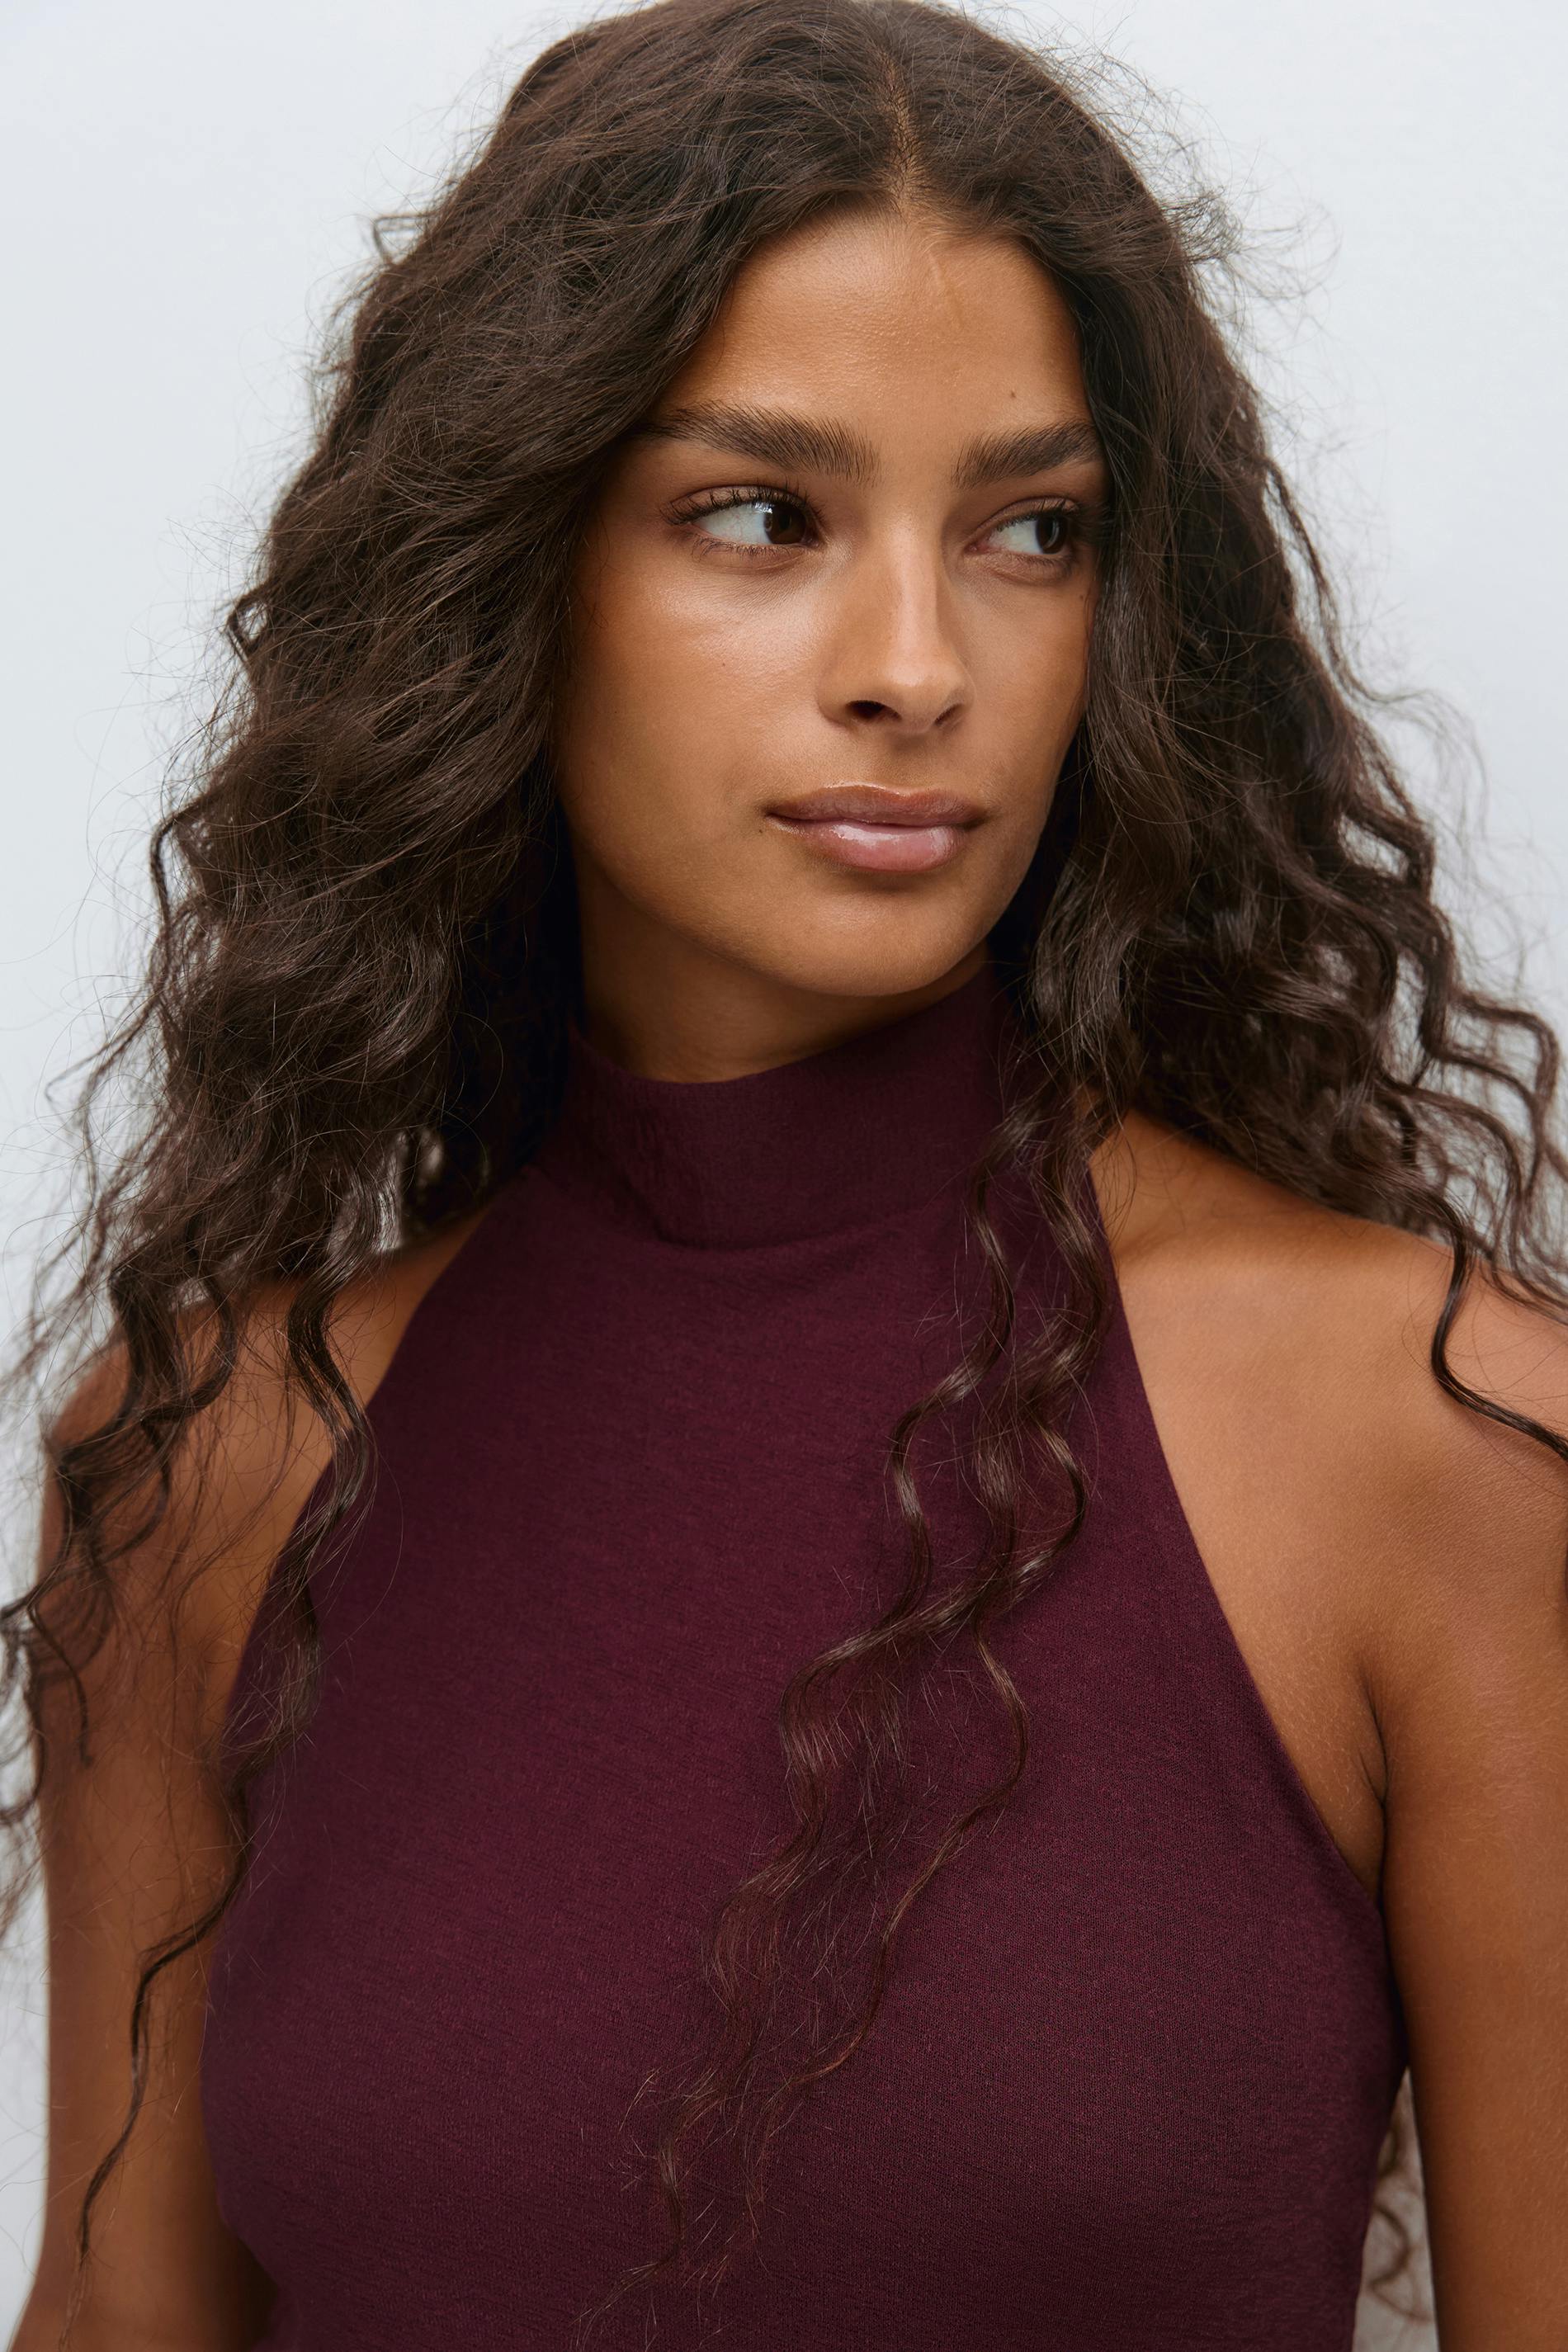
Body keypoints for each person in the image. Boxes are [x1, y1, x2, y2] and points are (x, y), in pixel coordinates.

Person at [7, 0, 1567, 2344]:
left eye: (1030, 532)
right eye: (761, 515)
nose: (917, 664)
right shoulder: (211, 1463)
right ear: (507, 573)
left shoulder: (1437, 1443)